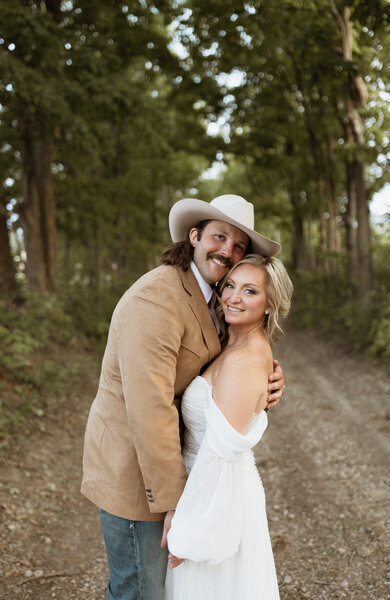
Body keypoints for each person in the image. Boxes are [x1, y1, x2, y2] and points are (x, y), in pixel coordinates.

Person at [81, 195, 285, 600]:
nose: (227, 251)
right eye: (219, 236)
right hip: (137, 472)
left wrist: (269, 376)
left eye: (239, 245)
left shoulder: (211, 296)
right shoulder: (156, 298)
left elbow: (233, 359)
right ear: (194, 236)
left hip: (178, 468)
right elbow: (150, 408)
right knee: (139, 591)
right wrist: (178, 504)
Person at [165, 254, 293, 600]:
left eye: (250, 291)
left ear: (270, 305)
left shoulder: (243, 358)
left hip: (216, 497)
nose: (234, 298)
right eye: (231, 286)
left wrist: (189, 526)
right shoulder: (228, 343)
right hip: (209, 488)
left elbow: (217, 455)